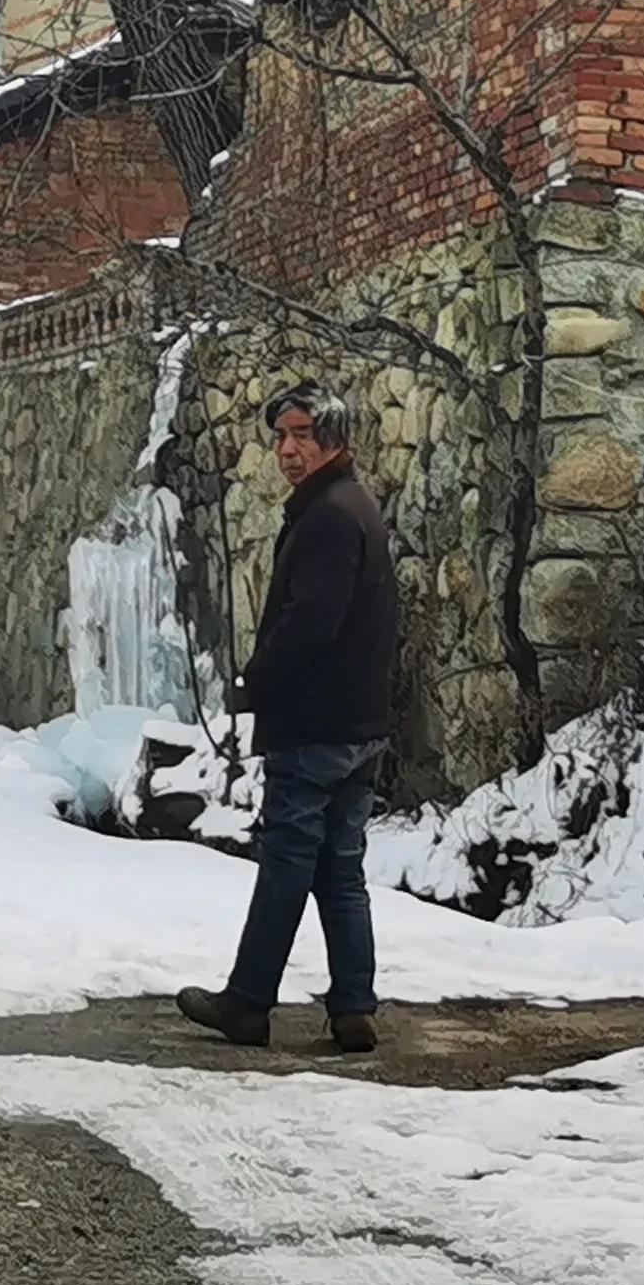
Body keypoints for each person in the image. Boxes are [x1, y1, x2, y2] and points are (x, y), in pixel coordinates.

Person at [179, 390, 401, 1054]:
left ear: (334, 439)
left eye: (302, 434)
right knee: (339, 870)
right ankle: (354, 1008)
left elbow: (311, 621)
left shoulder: (329, 516)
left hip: (316, 725)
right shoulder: (353, 505)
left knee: (286, 864)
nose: (287, 450)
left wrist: (257, 680)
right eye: (280, 436)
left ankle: (248, 1002)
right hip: (358, 723)